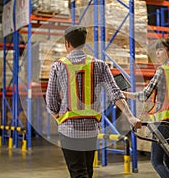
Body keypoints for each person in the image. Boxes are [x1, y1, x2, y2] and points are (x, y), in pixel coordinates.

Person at [46, 25, 141, 178]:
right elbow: (115, 93)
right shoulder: (100, 65)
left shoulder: (58, 66)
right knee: (87, 171)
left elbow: (51, 101)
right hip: (91, 129)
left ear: (67, 44)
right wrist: (130, 117)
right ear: (84, 43)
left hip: (69, 129)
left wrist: (59, 118)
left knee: (78, 172)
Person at [122, 38, 169, 178]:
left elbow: (143, 95)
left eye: (161, 50)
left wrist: (123, 94)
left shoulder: (162, 70)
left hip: (163, 123)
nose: (157, 53)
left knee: (156, 161)